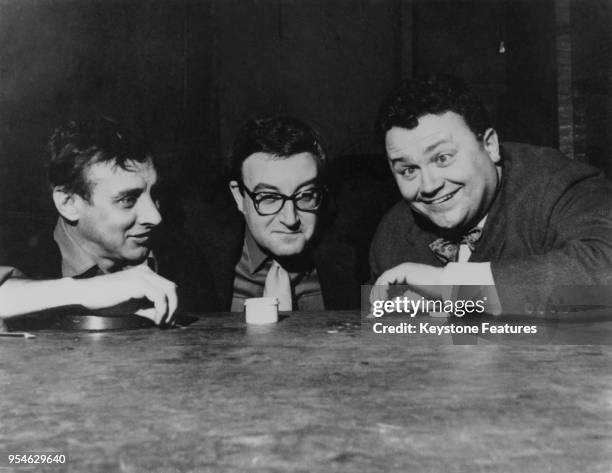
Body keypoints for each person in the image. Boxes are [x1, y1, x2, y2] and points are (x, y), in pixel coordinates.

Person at [369, 73, 612, 315]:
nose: (429, 185)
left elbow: (604, 268)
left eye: (443, 158)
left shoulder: (558, 186)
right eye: (409, 170)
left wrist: (451, 285)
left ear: (490, 146)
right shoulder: (394, 236)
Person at [0, 117, 217, 325]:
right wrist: (85, 290)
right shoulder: (19, 252)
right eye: (127, 200)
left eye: (155, 194)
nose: (155, 217)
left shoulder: (183, 258)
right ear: (68, 203)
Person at [192, 116, 362, 311]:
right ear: (239, 196)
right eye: (269, 198)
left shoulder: (356, 254)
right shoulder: (200, 260)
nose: (291, 219)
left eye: (305, 195)